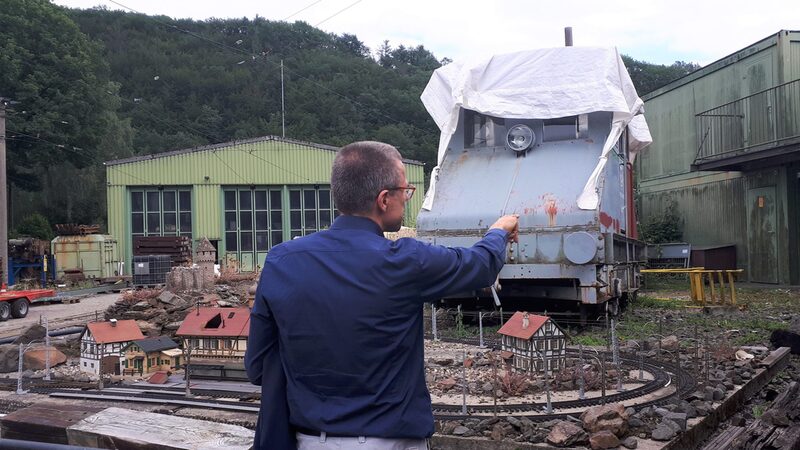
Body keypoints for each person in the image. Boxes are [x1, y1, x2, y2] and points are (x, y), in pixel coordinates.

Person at [245, 141, 519, 450]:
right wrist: (498, 231)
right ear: (384, 199)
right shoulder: (405, 261)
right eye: (405, 191)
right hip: (391, 442)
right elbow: (479, 266)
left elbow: (257, 366)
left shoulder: (281, 261)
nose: (407, 198)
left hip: (308, 440)